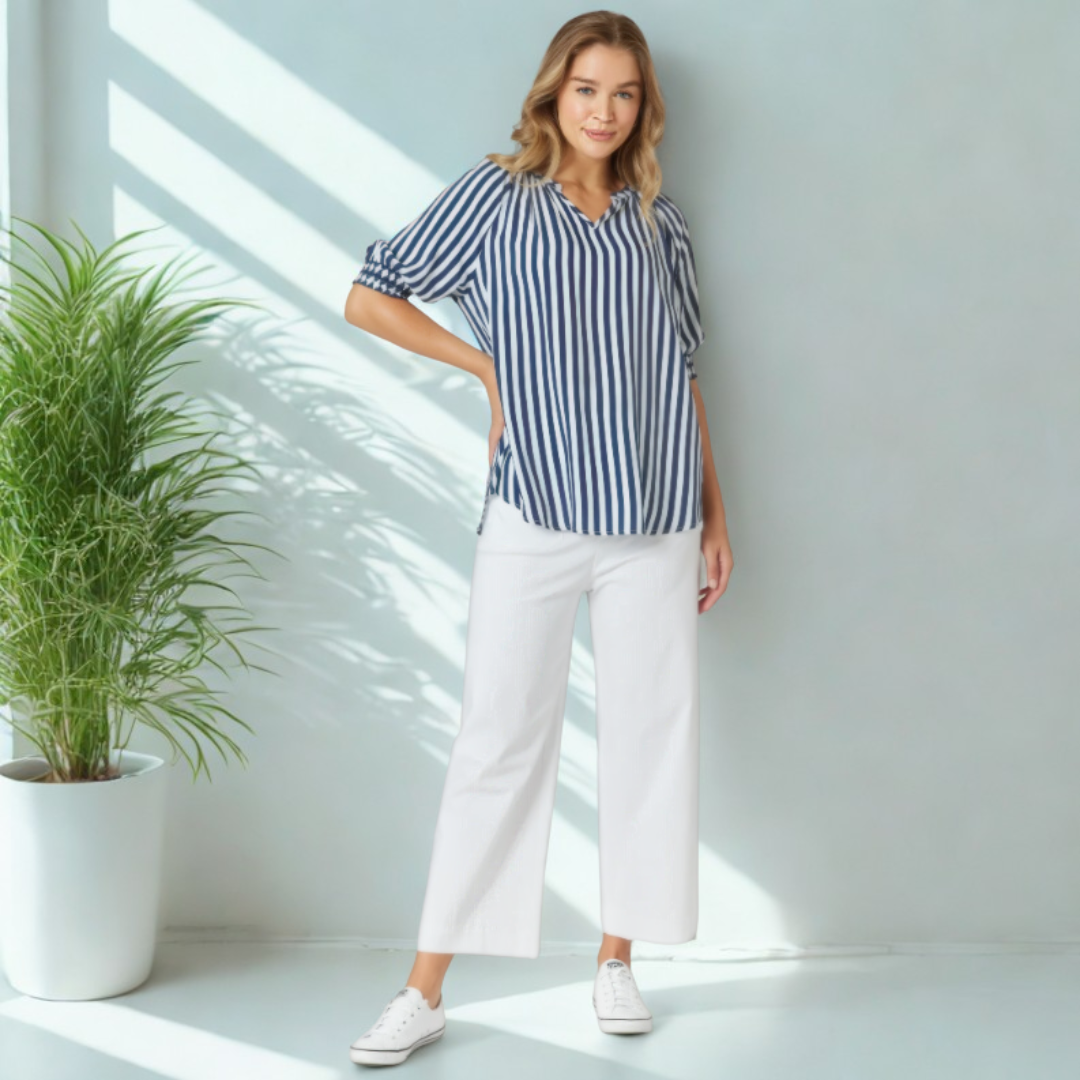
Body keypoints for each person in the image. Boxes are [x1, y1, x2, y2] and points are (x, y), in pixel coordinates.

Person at [343, 11, 732, 1067]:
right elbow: (370, 296)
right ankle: (424, 990)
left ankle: (617, 959)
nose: (605, 111)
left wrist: (715, 513)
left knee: (651, 738)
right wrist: (487, 370)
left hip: (655, 514)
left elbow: (684, 372)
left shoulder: (660, 224)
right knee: (497, 741)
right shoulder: (496, 197)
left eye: (625, 94)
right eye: (588, 89)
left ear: (644, 108)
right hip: (535, 506)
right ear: (554, 93)